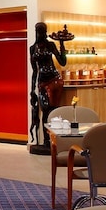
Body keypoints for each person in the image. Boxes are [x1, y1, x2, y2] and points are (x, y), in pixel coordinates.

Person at [29, 22, 71, 152]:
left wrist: (62, 44)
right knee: (45, 110)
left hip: (54, 80)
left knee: (53, 111)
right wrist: (32, 90)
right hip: (42, 82)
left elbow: (62, 62)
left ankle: (52, 140)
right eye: (38, 31)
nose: (40, 34)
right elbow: (34, 71)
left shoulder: (51, 45)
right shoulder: (33, 48)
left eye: (42, 31)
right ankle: (46, 141)